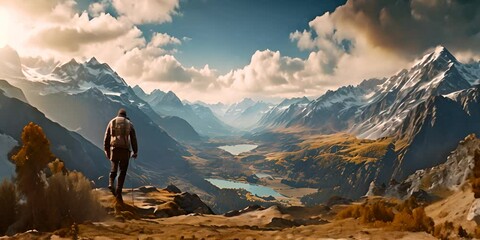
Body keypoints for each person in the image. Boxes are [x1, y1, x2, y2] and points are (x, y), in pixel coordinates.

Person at [104, 108, 138, 203]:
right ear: (125, 115)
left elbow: (106, 137)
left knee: (113, 168)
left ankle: (111, 183)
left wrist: (107, 150)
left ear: (118, 114)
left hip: (114, 149)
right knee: (122, 172)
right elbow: (133, 139)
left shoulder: (112, 122)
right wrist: (135, 152)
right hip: (125, 151)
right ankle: (118, 192)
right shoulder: (129, 123)